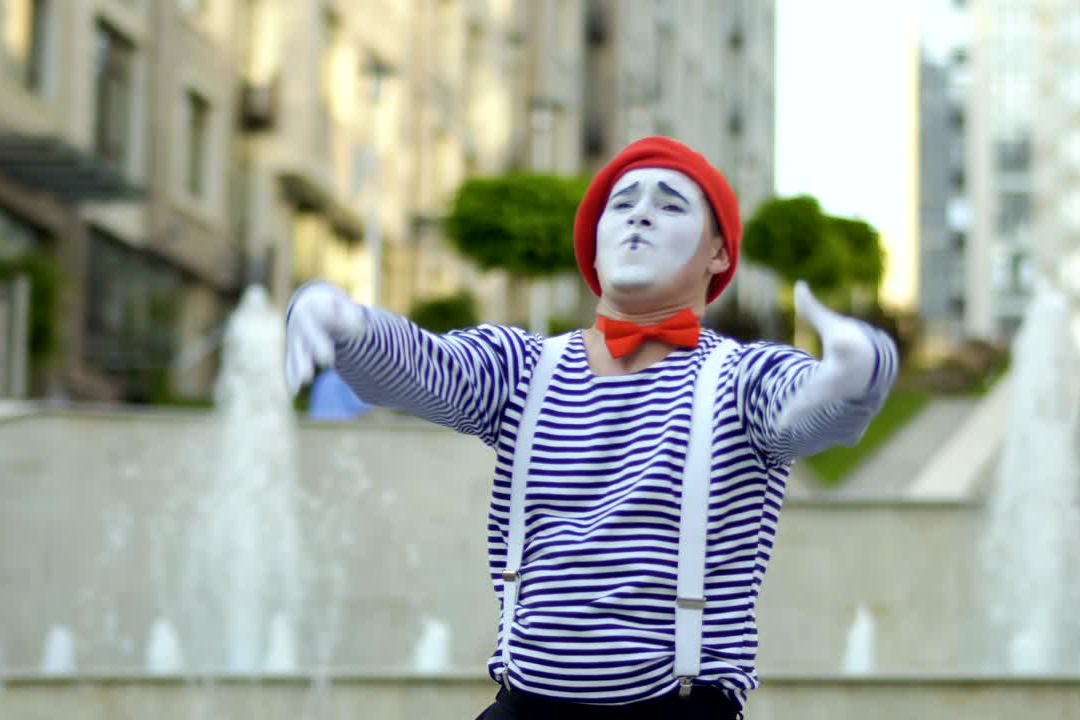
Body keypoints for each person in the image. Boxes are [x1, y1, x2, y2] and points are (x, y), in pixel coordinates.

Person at [284, 136, 898, 719]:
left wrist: (854, 376)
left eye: (671, 204)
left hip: (680, 710)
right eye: (622, 204)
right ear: (595, 243)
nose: (640, 216)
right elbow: (426, 368)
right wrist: (349, 327)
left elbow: (808, 411)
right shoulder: (523, 369)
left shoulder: (738, 378)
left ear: (718, 252)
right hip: (526, 706)